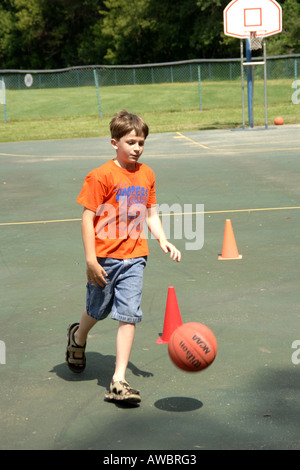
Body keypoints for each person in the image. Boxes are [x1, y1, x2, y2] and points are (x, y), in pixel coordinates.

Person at [66, 110, 181, 403]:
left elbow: (151, 211)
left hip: (135, 257)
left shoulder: (147, 174)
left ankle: (118, 380)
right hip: (104, 259)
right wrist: (91, 259)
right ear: (114, 143)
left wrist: (163, 239)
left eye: (141, 142)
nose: (137, 148)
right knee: (97, 310)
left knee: (128, 315)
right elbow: (86, 219)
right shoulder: (101, 176)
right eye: (131, 142)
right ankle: (78, 337)